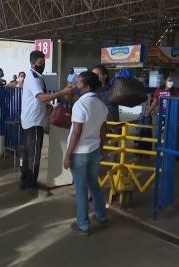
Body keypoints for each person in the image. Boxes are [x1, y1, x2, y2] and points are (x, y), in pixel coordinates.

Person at [20, 50, 74, 191]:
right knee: (34, 154)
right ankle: (31, 183)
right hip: (34, 121)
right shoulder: (33, 77)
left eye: (44, 62)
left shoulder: (37, 76)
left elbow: (39, 100)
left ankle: (24, 180)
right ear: (33, 63)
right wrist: (62, 92)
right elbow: (41, 97)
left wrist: (49, 107)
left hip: (31, 119)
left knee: (28, 152)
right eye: (40, 62)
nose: (43, 64)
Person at [64, 71, 109, 235]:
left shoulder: (80, 105)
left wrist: (68, 155)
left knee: (81, 188)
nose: (76, 85)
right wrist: (102, 148)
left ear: (88, 87)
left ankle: (83, 224)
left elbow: (76, 132)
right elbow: (104, 129)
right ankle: (102, 217)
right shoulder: (101, 105)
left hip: (79, 153)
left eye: (79, 83)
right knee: (94, 185)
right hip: (94, 151)